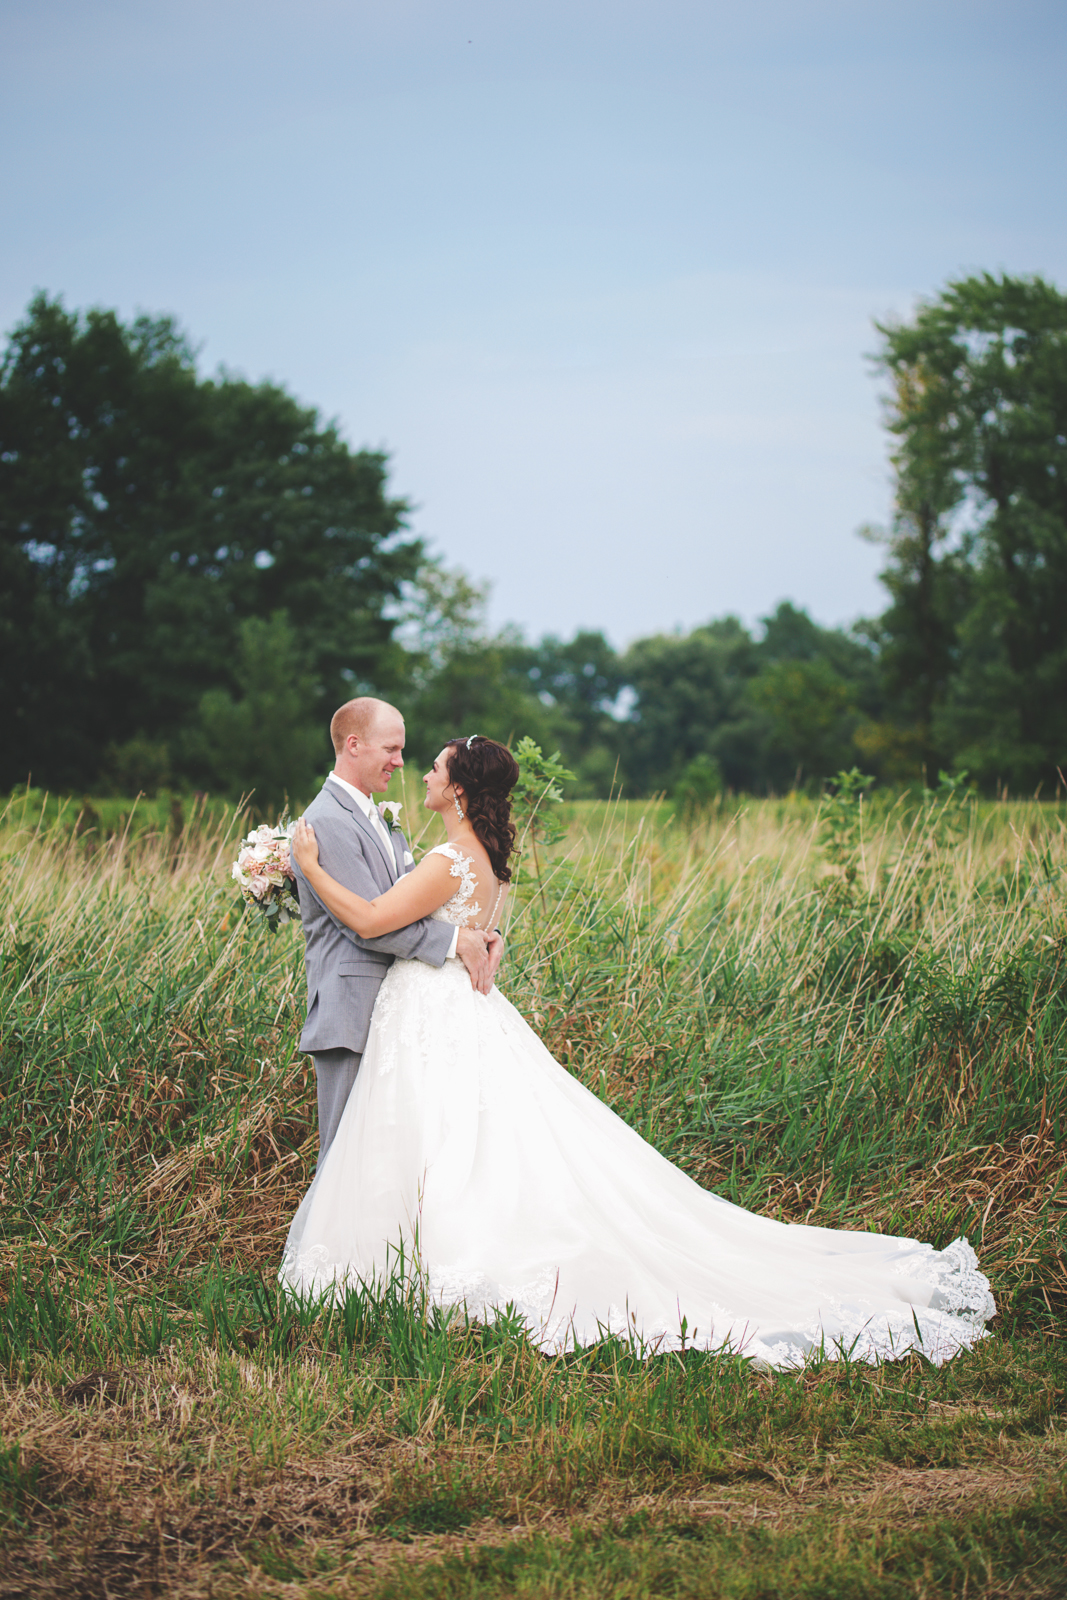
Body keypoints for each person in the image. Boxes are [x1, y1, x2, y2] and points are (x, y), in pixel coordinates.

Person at [281, 734, 995, 1369]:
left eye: (436, 768)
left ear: (460, 789)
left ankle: (429, 1260)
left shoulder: (447, 860)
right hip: (456, 1010)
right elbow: (457, 928)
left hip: (432, 1012)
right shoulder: (486, 859)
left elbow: (371, 920)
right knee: (465, 1138)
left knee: (442, 1137)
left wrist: (309, 867)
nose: (424, 775)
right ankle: (425, 1255)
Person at [291, 698, 503, 1165]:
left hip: (405, 1012)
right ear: (354, 745)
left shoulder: (381, 819)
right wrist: (456, 941)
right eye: (391, 749)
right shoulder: (327, 820)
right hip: (352, 1008)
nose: (402, 762)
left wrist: (481, 931)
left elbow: (408, 907)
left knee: (394, 1158)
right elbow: (365, 926)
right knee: (344, 1160)